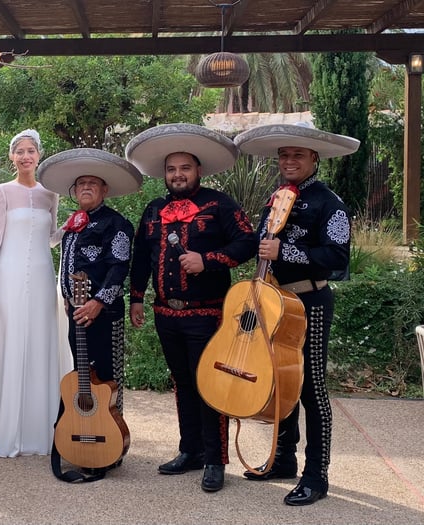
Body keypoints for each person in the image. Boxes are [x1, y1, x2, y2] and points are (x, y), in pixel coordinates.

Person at [126, 123, 258, 492]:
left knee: (209, 384)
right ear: (164, 174)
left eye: (185, 168)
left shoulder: (219, 205)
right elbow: (140, 258)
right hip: (165, 312)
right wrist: (136, 298)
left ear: (198, 170)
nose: (178, 175)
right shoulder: (153, 210)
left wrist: (210, 260)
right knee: (182, 382)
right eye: (171, 169)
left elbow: (248, 242)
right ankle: (191, 451)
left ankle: (215, 459)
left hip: (208, 312)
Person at [234, 122, 357, 506]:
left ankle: (316, 474)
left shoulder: (330, 203)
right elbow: (261, 244)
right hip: (274, 302)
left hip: (310, 303)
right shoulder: (275, 199)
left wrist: (286, 253)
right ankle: (283, 459)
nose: (289, 161)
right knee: (278, 381)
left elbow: (338, 260)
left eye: (298, 155)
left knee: (310, 388)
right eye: (284, 155)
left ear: (314, 159)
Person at [0, 129, 72, 457]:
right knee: (11, 341)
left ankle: (40, 430)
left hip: (41, 275)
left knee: (40, 342)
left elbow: (52, 237)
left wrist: (73, 224)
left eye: (31, 151)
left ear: (39, 155)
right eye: (20, 151)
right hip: (9, 274)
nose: (26, 156)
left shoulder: (50, 194)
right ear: (12, 157)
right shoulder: (1, 192)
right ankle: (10, 429)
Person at [38, 148, 142, 473]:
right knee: (84, 377)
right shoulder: (74, 224)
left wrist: (98, 302)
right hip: (75, 314)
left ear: (104, 189)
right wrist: (68, 297)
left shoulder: (118, 224)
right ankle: (82, 437)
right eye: (80, 183)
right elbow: (67, 265)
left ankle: (110, 442)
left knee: (107, 381)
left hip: (104, 315)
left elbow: (119, 268)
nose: (85, 187)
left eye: (92, 183)